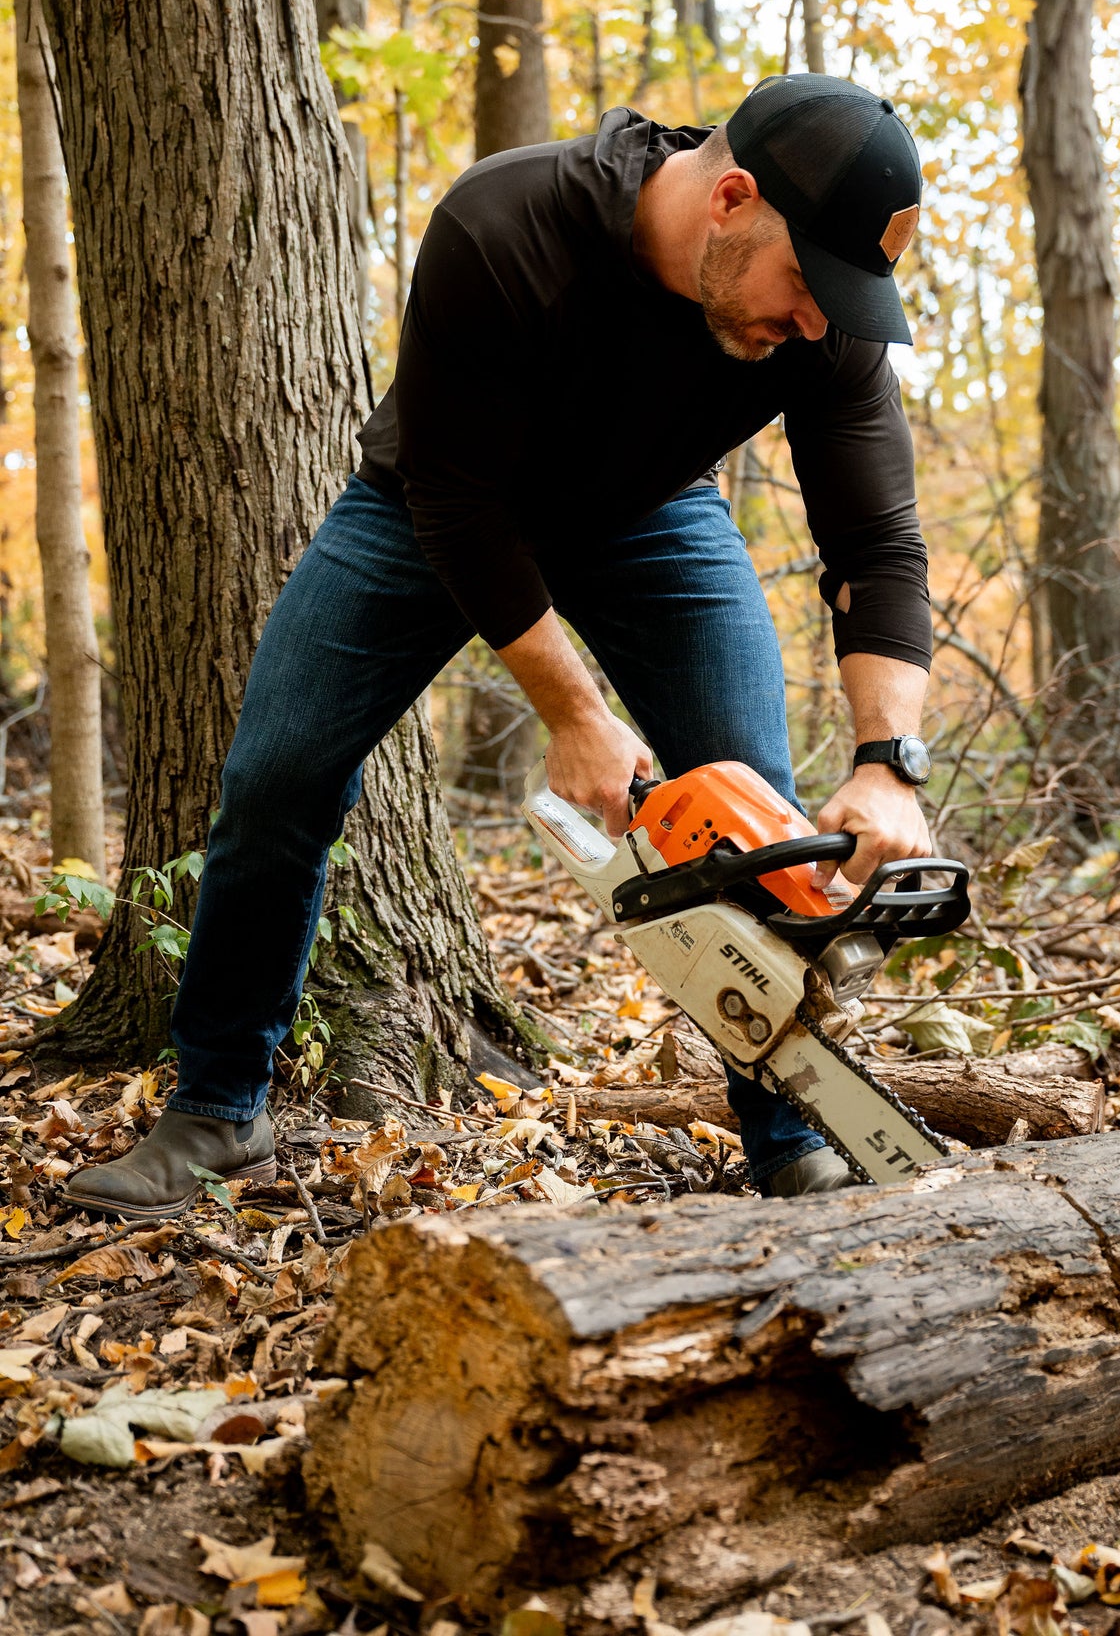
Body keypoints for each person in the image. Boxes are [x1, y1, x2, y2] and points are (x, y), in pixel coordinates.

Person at [66, 72, 936, 1213]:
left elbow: (875, 539)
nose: (814, 319)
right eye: (806, 285)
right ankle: (219, 1104)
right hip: (433, 508)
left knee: (750, 807)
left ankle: (788, 1134)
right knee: (275, 778)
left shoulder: (824, 332)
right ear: (728, 198)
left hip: (656, 515)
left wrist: (886, 762)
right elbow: (460, 502)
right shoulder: (505, 223)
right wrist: (573, 712)